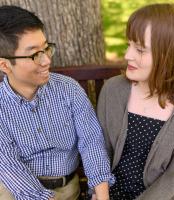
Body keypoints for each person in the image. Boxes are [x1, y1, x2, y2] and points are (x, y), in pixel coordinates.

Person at [0, 5, 114, 200]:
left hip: (69, 188)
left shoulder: (68, 89)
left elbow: (91, 141)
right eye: (35, 54)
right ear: (4, 65)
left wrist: (101, 193)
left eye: (46, 48)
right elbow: (10, 166)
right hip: (17, 192)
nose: (46, 61)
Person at [97, 3, 174, 200]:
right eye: (129, 45)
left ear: (169, 56)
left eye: (140, 50)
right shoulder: (113, 90)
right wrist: (99, 192)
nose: (127, 56)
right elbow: (99, 152)